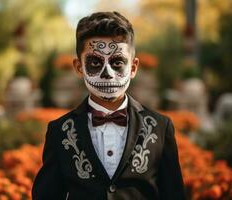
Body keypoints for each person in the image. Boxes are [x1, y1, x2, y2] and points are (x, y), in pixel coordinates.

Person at [32, 11, 186, 200]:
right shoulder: (60, 131)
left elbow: (174, 194)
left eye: (118, 62)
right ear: (79, 67)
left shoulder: (160, 128)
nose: (108, 74)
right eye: (95, 62)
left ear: (133, 68)